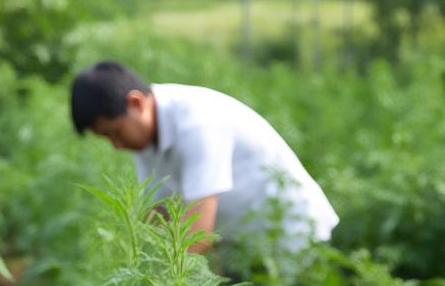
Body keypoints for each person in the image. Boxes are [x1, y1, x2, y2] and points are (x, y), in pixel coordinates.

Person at [69, 61, 338, 254]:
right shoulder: (145, 136)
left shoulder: (198, 123)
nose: (116, 146)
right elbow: (157, 215)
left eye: (115, 133)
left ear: (136, 103)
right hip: (244, 247)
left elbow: (198, 232)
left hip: (295, 241)